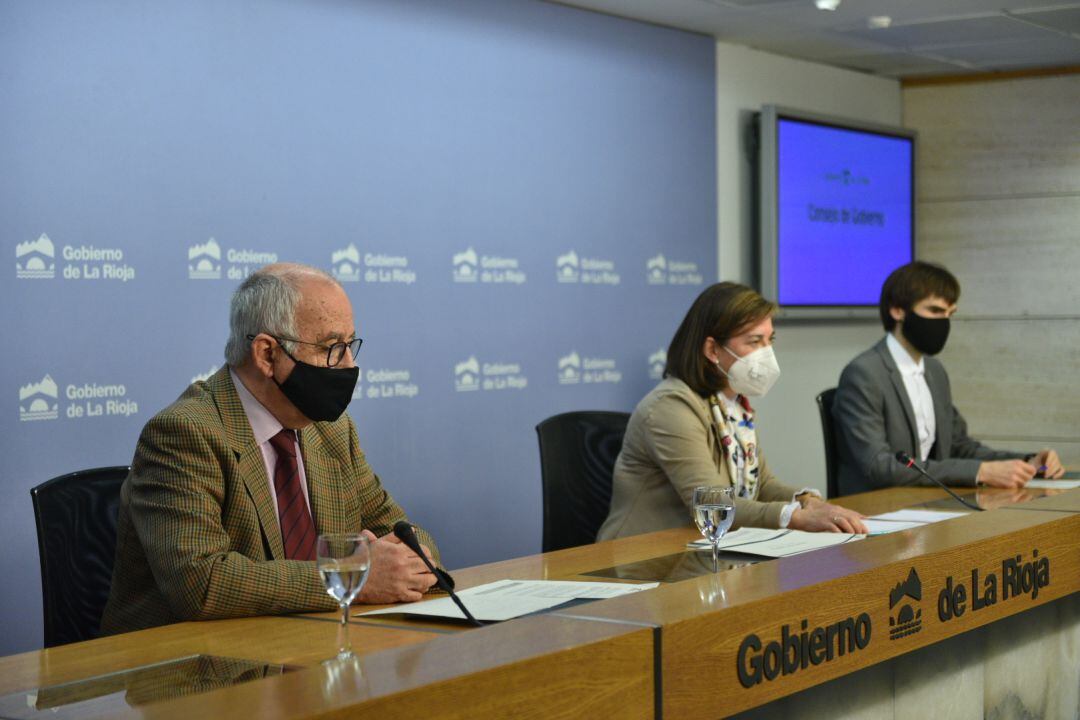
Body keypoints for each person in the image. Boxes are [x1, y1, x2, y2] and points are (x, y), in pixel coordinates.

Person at [101, 263, 439, 635]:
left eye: (350, 345)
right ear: (266, 355)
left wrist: (406, 561)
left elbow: (406, 534)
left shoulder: (332, 431)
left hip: (309, 652)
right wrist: (353, 577)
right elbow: (201, 582)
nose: (349, 365)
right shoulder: (185, 433)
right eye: (331, 348)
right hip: (193, 672)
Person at [597, 282, 867, 542]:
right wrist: (793, 517)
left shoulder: (734, 405)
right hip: (640, 562)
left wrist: (808, 502)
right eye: (754, 341)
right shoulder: (671, 407)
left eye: (769, 340)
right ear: (713, 349)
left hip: (706, 551)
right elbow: (712, 503)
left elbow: (762, 486)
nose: (767, 353)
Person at [832, 261, 1063, 496]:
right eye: (934, 311)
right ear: (897, 310)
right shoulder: (863, 373)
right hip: (874, 509)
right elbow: (878, 467)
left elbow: (958, 446)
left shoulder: (934, 371)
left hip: (927, 501)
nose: (943, 322)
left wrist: (1028, 461)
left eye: (949, 314)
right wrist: (980, 472)